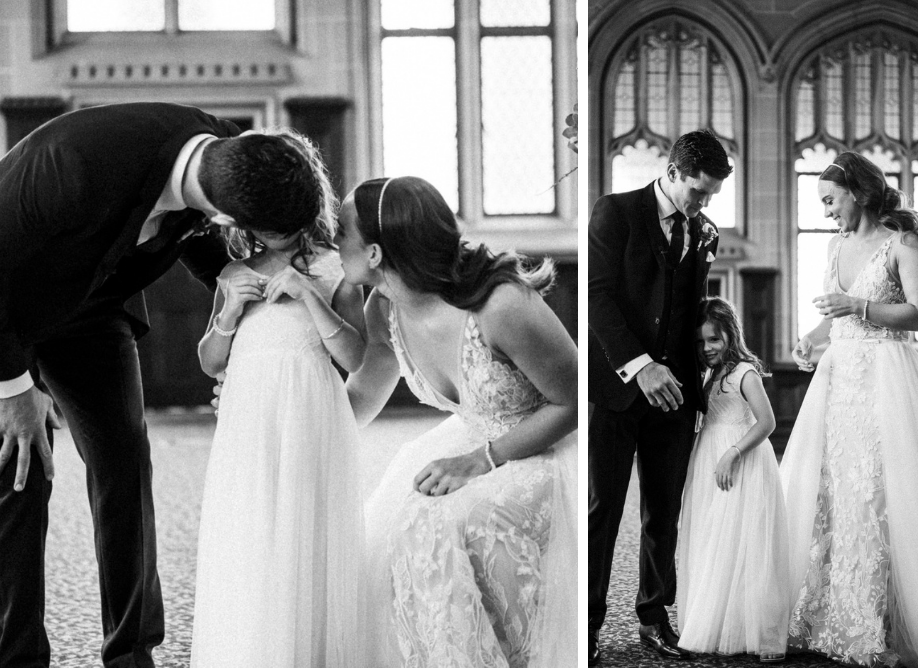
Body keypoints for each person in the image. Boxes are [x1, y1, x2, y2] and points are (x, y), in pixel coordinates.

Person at [0, 102, 331, 668]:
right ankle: (19, 659)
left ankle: (132, 654)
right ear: (232, 219)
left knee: (124, 467)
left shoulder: (236, 154)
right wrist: (12, 390)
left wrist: (236, 285)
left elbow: (202, 239)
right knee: (20, 475)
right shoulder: (75, 163)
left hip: (93, 306)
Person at [336, 176, 578, 667]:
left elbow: (572, 403)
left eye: (341, 232)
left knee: (439, 519)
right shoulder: (383, 307)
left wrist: (481, 460)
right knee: (392, 525)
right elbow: (361, 396)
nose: (332, 242)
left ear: (377, 253)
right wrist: (285, 407)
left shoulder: (501, 304)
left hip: (540, 445)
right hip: (469, 435)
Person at [188, 133, 366, 667]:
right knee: (252, 524)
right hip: (248, 416)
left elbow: (355, 355)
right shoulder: (232, 272)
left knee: (303, 525)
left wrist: (311, 297)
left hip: (308, 408)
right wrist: (226, 316)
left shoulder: (336, 270)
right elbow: (211, 361)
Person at [588, 128, 731, 662]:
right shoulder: (615, 212)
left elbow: (690, 309)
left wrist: (717, 365)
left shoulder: (704, 230)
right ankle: (589, 626)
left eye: (712, 195)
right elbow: (597, 298)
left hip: (677, 395)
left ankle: (654, 617)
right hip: (617, 389)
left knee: (663, 510)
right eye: (699, 191)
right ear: (672, 173)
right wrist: (640, 366)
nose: (704, 203)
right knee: (602, 508)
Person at [781, 151, 918, 667]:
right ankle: (830, 615)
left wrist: (858, 308)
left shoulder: (902, 244)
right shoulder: (836, 246)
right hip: (839, 382)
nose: (826, 212)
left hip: (886, 378)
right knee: (834, 490)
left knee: (879, 492)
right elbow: (833, 308)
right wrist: (810, 337)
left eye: (830, 200)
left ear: (858, 192)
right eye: (820, 203)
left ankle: (877, 621)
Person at [675, 297, 789, 662]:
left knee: (744, 542)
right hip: (709, 456)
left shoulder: (744, 372)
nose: (706, 348)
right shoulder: (709, 373)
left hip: (741, 460)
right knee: (713, 539)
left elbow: (767, 422)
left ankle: (756, 628)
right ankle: (720, 619)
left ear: (730, 335)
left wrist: (733, 453)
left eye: (714, 340)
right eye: (700, 342)